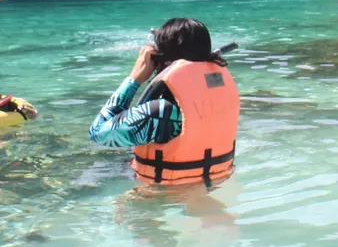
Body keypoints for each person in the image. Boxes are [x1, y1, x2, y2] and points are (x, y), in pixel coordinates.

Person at [89, 18, 240, 188]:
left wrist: (133, 80)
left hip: (160, 194)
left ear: (161, 59)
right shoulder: (216, 97)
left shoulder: (160, 113)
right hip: (213, 184)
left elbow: (98, 132)